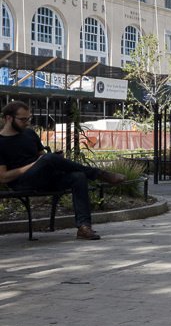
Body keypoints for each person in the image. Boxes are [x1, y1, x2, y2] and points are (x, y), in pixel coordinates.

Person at [0, 100, 123, 240]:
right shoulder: (1, 142)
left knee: (78, 176)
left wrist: (56, 159)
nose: (27, 122)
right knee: (48, 159)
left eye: (29, 118)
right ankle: (99, 174)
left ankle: (84, 227)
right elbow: (3, 177)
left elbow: (42, 158)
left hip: (45, 178)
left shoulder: (29, 134)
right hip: (22, 182)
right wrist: (35, 164)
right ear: (8, 118)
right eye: (23, 119)